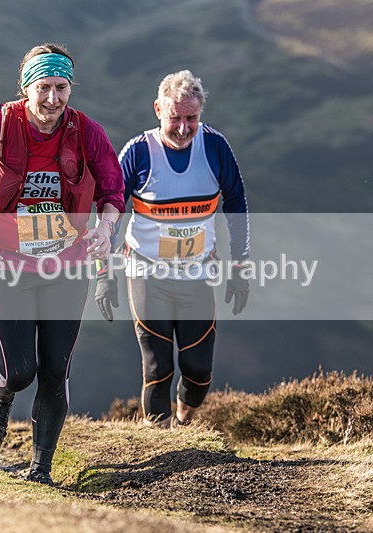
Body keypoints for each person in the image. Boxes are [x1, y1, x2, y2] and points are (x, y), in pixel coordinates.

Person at [0, 44, 124, 485]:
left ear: (71, 88)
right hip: (3, 262)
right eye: (43, 88)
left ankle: (40, 469)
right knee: (20, 370)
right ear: (25, 88)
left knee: (54, 369)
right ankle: (0, 392)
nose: (52, 99)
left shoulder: (87, 132)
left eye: (61, 88)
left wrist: (105, 229)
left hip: (67, 266)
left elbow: (112, 192)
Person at [94, 70, 250, 428]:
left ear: (201, 114)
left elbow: (237, 205)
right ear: (158, 110)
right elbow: (110, 212)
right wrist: (104, 275)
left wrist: (241, 270)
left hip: (197, 271)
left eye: (191, 118)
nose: (182, 128)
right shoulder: (138, 152)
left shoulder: (214, 147)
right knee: (157, 366)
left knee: (199, 373)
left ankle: (182, 420)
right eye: (174, 118)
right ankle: (162, 440)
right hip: (147, 271)